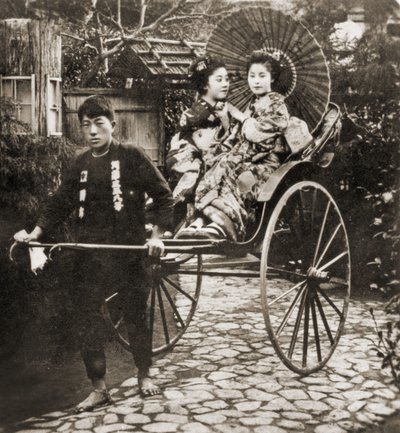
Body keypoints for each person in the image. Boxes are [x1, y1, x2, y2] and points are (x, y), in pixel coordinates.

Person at [13, 95, 174, 411]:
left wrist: (157, 236)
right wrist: (36, 234)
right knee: (85, 316)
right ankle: (99, 387)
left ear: (113, 125)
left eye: (99, 123)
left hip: (128, 252)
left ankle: (145, 374)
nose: (92, 131)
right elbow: (58, 204)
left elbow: (164, 198)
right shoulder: (81, 164)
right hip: (90, 255)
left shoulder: (131, 156)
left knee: (135, 315)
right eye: (85, 125)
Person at [193, 50, 312, 241]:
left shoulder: (277, 104)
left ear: (272, 78)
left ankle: (226, 223)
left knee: (235, 175)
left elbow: (261, 137)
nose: (256, 81)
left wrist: (243, 119)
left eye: (262, 76)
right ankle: (205, 221)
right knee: (212, 169)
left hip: (267, 163)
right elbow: (236, 136)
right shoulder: (252, 103)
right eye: (252, 76)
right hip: (246, 156)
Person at [166, 55, 239, 235]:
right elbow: (195, 143)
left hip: (214, 158)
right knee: (194, 180)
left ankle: (207, 222)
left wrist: (225, 121)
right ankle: (175, 226)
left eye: (227, 79)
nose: (225, 84)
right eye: (219, 79)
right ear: (205, 85)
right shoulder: (195, 113)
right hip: (190, 157)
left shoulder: (226, 110)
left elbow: (230, 139)